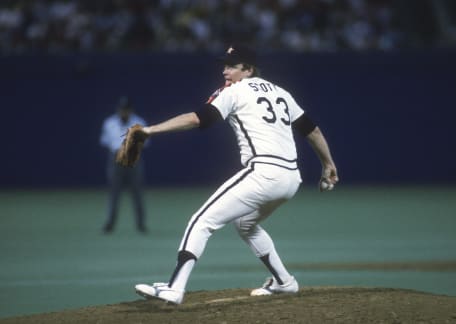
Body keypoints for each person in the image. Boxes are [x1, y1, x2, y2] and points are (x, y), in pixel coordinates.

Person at [134, 44, 338, 304]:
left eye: (232, 65)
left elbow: (197, 119)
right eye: (224, 65)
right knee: (245, 224)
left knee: (201, 221)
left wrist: (151, 130)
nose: (225, 70)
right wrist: (328, 164)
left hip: (264, 172)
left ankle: (174, 288)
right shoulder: (281, 93)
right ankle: (285, 282)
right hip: (290, 178)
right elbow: (313, 131)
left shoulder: (235, 91)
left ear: (249, 69)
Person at [100, 96, 148, 234]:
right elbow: (105, 141)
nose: (124, 112)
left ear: (131, 110)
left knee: (137, 193)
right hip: (115, 160)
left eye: (126, 109)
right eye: (122, 109)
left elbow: (146, 142)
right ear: (118, 110)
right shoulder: (109, 123)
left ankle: (141, 224)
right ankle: (110, 223)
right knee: (114, 193)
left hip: (133, 159)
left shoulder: (139, 122)